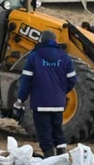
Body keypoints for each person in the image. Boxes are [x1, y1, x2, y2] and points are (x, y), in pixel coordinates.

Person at [14, 30, 75, 158]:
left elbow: (26, 82)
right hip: (58, 104)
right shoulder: (65, 57)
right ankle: (62, 155)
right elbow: (72, 80)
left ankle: (49, 157)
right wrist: (61, 91)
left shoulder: (33, 57)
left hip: (40, 103)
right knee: (57, 129)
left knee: (44, 131)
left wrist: (20, 100)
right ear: (55, 41)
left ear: (40, 40)